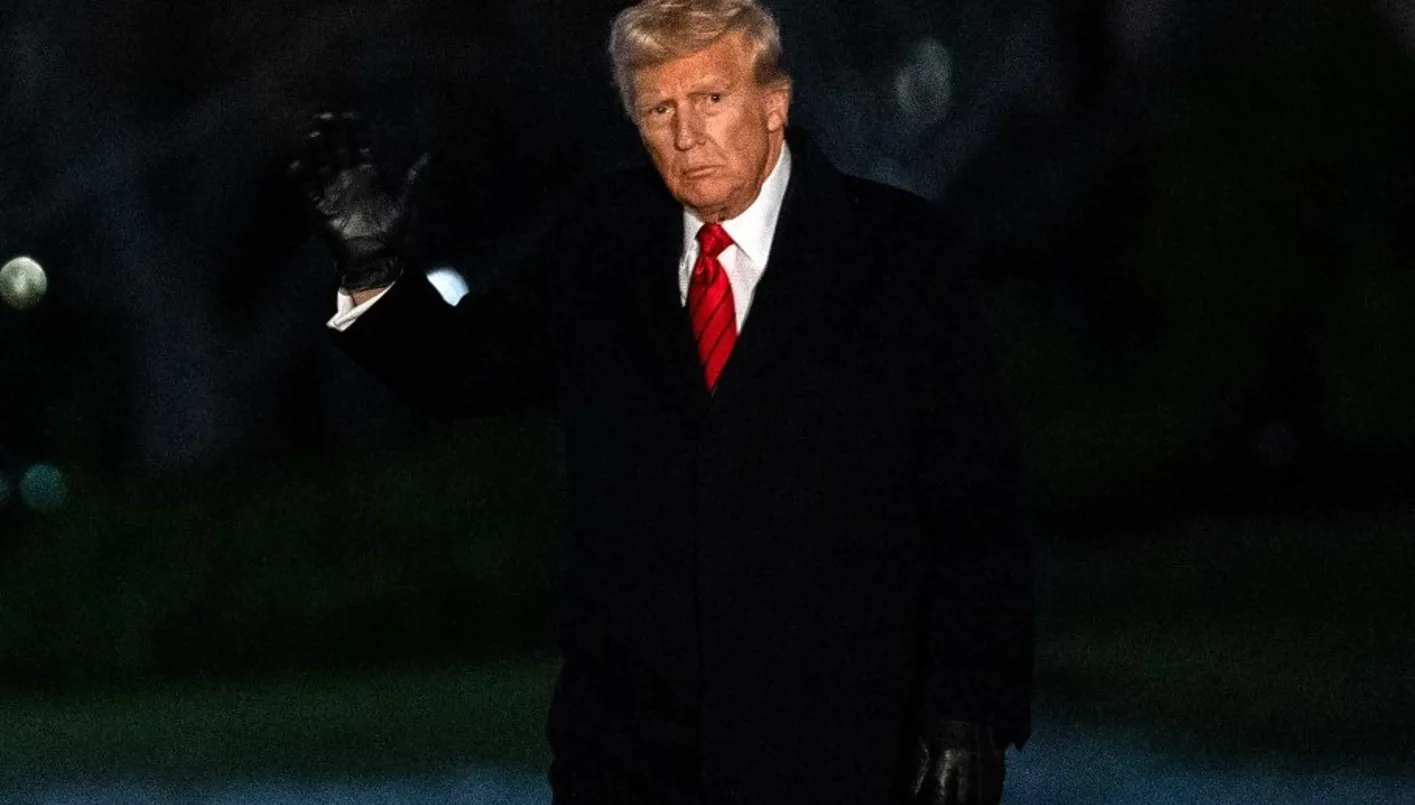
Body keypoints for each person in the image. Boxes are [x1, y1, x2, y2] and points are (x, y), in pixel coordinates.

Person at [290, 1, 1032, 802]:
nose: (685, 134)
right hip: (630, 748)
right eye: (658, 109)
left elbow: (974, 501)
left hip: (842, 737)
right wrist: (374, 268)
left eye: (709, 98)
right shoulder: (599, 241)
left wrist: (968, 703)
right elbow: (463, 371)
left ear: (772, 101)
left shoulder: (898, 253)